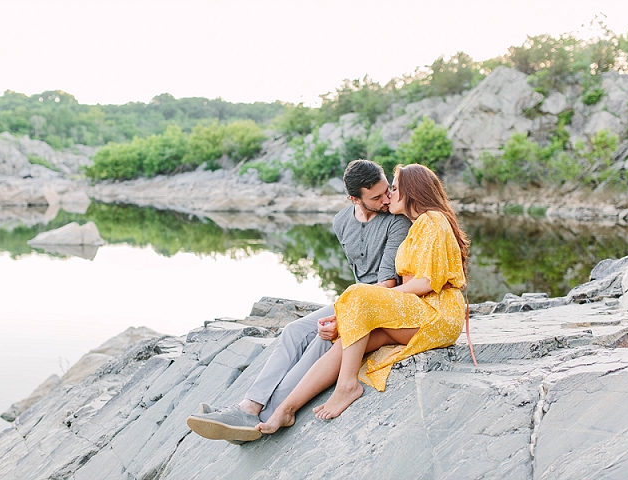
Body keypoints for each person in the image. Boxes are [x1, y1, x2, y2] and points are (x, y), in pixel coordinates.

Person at [186, 160, 412, 443]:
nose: (387, 199)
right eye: (377, 197)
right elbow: (359, 275)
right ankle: (249, 407)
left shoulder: (397, 221)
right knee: (295, 330)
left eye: (387, 191)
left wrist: (344, 319)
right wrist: (342, 312)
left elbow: (388, 283)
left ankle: (270, 415)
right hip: (356, 298)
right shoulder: (342, 221)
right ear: (354, 199)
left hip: (381, 302)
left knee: (323, 339)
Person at [258, 163, 469, 434]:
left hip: (437, 313)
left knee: (357, 294)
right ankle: (285, 410)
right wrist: (355, 311)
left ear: (411, 192)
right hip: (420, 311)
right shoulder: (418, 225)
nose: (389, 196)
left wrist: (373, 298)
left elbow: (427, 282)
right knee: (350, 341)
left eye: (393, 189)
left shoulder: (432, 220)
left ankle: (347, 386)